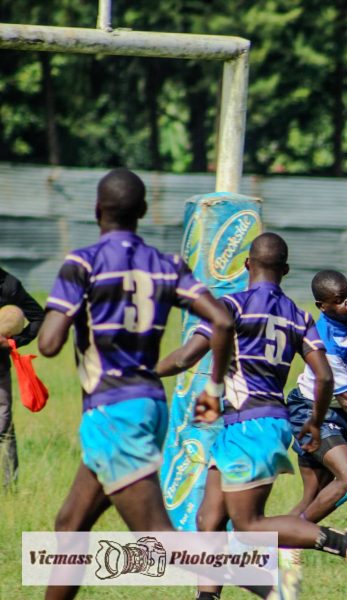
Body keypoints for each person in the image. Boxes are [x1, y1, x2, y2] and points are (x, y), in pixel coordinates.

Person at [37, 168, 235, 600]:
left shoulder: (83, 263)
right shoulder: (168, 266)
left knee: (159, 538)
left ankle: (269, 578)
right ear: (142, 212)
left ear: (96, 211)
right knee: (70, 524)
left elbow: (49, 344)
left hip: (113, 410)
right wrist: (214, 390)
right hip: (148, 404)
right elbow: (221, 319)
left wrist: (70, 316)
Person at [156, 234, 347, 600]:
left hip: (248, 425)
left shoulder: (230, 305)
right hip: (260, 423)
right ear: (286, 271)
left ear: (246, 264)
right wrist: (314, 421)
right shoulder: (298, 315)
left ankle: (345, 541)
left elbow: (184, 358)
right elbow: (323, 376)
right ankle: (216, 595)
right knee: (208, 520)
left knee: (247, 525)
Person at [286, 270, 347, 523]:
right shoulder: (327, 345)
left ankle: (274, 544)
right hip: (310, 411)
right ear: (323, 306)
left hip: (335, 413)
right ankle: (294, 538)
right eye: (341, 300)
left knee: (314, 497)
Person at [0, 267, 44, 487]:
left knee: (4, 426)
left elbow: (38, 317)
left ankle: (10, 488)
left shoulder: (9, 286)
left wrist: (12, 342)